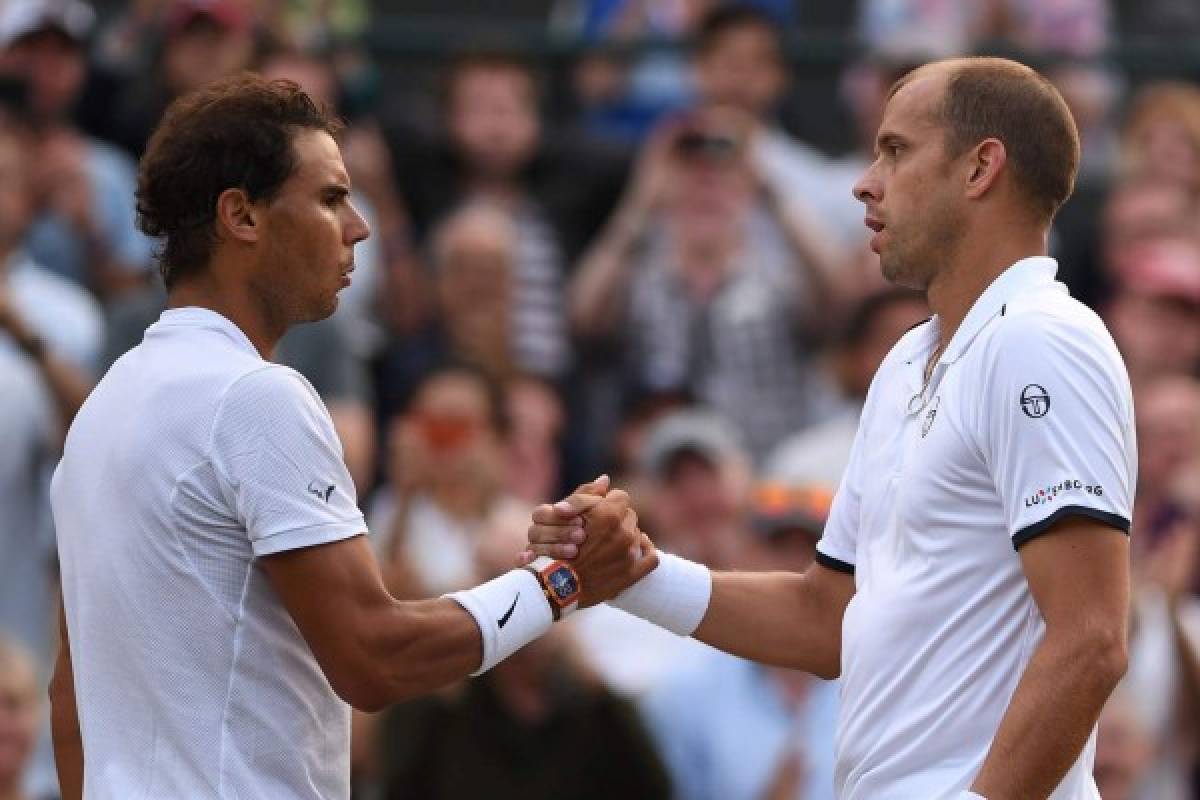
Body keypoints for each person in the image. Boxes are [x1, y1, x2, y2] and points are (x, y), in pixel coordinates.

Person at [530, 57, 1136, 799]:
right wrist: (636, 578)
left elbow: (1092, 639)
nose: (864, 181)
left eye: (896, 150)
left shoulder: (1042, 339)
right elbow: (825, 621)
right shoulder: (907, 361)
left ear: (981, 169)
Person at [47, 74, 656, 800]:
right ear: (242, 216)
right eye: (332, 198)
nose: (359, 226)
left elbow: (69, 706)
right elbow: (375, 657)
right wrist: (561, 584)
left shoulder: (102, 408)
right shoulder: (253, 397)